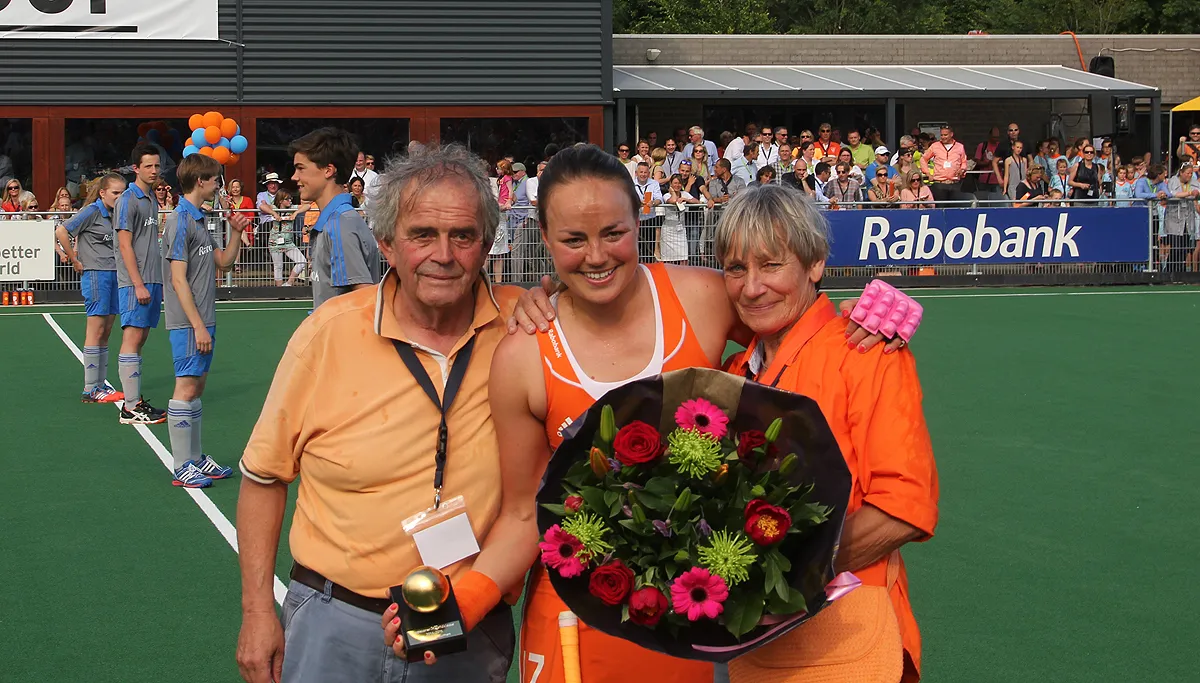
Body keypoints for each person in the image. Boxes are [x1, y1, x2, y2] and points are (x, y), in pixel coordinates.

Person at [389, 146, 917, 683]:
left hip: (687, 620)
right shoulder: (523, 354)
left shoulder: (702, 299)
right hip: (572, 621)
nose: (596, 256)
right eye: (573, 240)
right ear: (544, 240)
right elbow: (526, 515)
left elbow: (787, 315)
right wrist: (467, 600)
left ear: (638, 222)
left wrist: (872, 310)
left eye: (612, 233)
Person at [236, 144, 521, 683]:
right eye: (422, 235)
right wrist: (256, 611)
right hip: (334, 621)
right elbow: (263, 477)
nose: (444, 254)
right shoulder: (328, 334)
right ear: (387, 244)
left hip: (467, 624)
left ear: (485, 245)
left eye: (463, 235)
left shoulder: (522, 331)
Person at [720, 185, 938, 683]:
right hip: (752, 644)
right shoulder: (732, 371)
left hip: (848, 634)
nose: (751, 287)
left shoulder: (866, 349)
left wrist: (784, 572)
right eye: (736, 268)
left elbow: (904, 507)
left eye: (771, 265)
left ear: (815, 264)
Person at [161, 154, 251, 488]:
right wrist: (197, 324)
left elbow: (223, 262)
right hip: (189, 320)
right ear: (200, 181)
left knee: (196, 386)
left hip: (203, 317)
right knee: (185, 387)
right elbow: (178, 280)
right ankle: (182, 464)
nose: (219, 185)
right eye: (215, 180)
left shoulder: (198, 218)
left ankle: (195, 458)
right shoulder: (180, 220)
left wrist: (237, 232)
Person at [54, 173, 127, 404]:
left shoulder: (118, 214)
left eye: (122, 193)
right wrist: (74, 258)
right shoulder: (92, 211)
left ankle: (100, 382)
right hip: (96, 275)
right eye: (116, 193)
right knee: (95, 330)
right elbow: (61, 231)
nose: (120, 197)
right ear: (103, 193)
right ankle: (90, 388)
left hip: (116, 275)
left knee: (106, 331)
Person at [289, 127, 381, 309]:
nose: (294, 177)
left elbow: (365, 300)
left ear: (328, 170)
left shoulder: (340, 223)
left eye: (301, 168)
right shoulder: (335, 220)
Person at [113, 143, 168, 425]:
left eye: (157, 166)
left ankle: (135, 402)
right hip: (137, 281)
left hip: (152, 278)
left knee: (141, 338)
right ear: (136, 168)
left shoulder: (152, 200)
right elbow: (124, 244)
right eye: (148, 166)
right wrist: (138, 284)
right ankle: (130, 406)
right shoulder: (128, 199)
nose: (154, 171)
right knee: (132, 338)